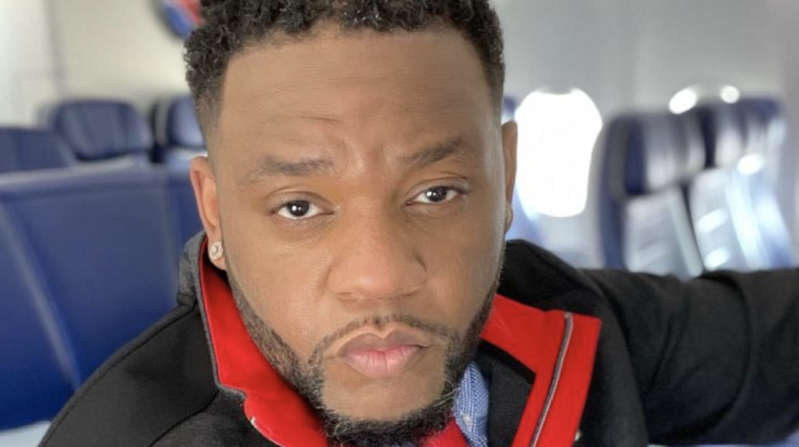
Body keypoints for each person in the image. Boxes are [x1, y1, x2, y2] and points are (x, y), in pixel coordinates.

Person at [40, 1, 799, 446]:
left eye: (435, 193)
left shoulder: (572, 320)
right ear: (215, 212)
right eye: (299, 207)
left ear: (505, 178)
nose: (380, 277)